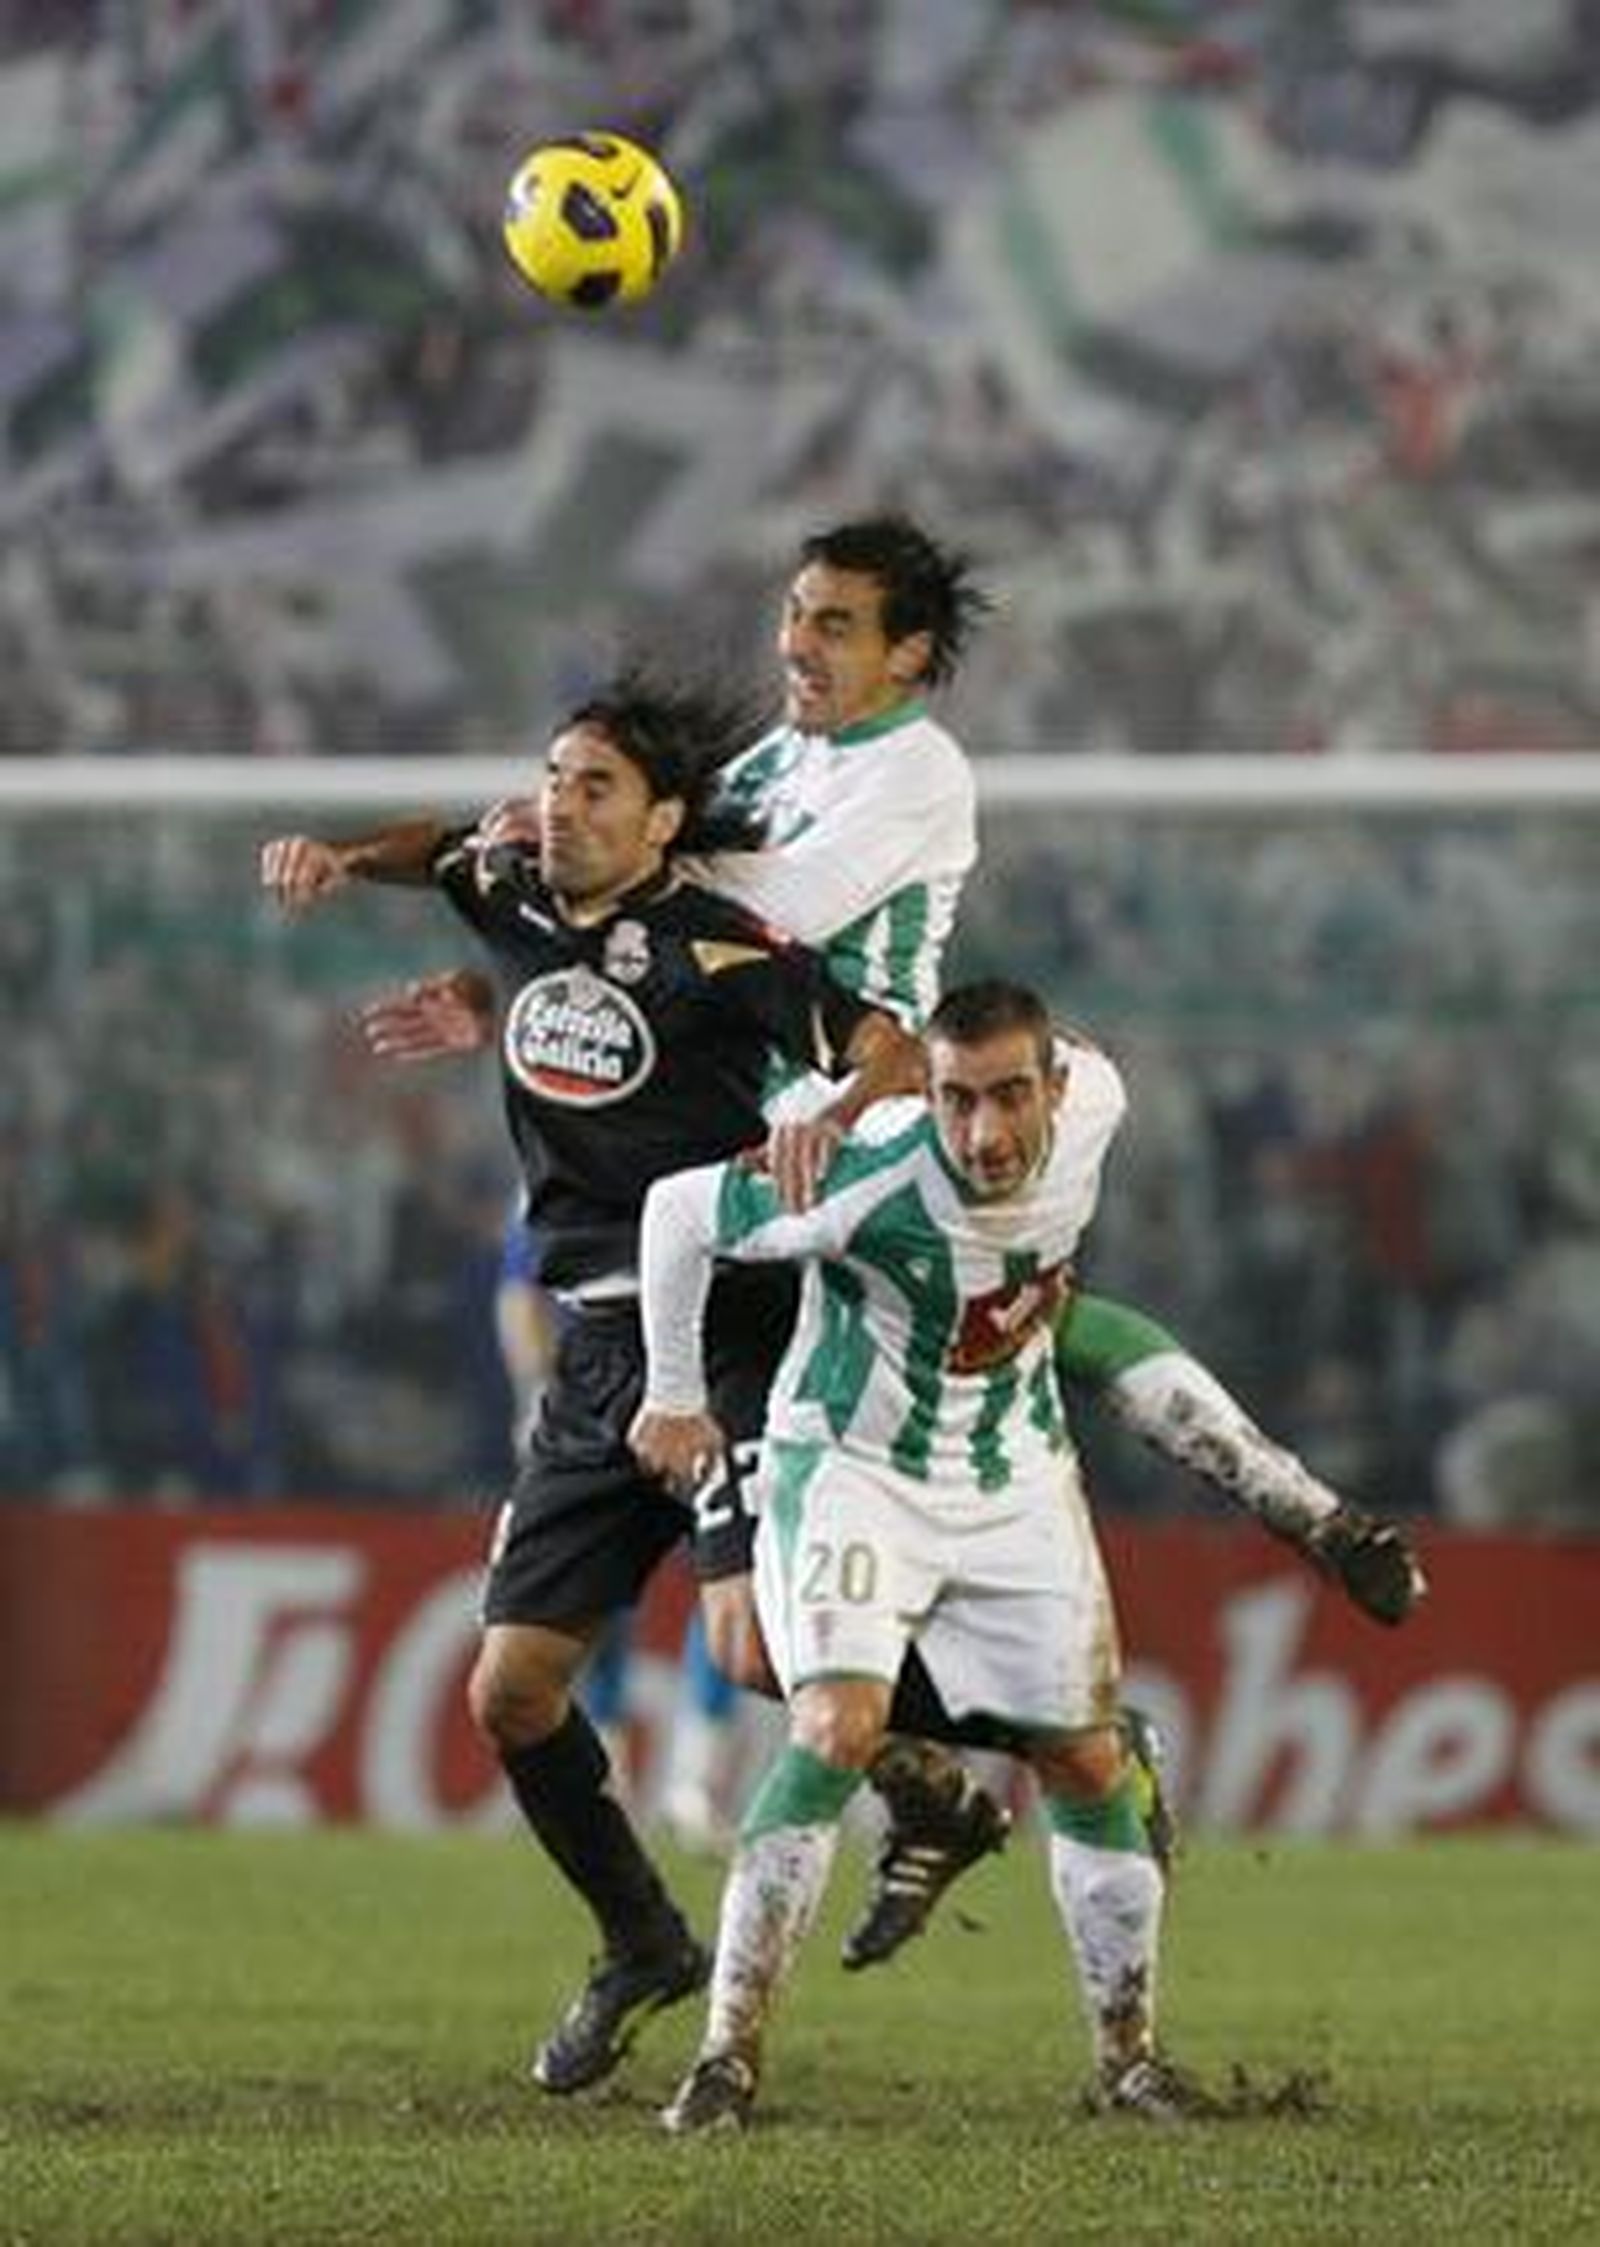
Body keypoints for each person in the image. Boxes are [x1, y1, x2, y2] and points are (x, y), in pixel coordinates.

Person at [362, 513, 1424, 1967]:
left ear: (912, 653)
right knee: (788, 1600)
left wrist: (554, 853)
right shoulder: (774, 761)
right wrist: (532, 926)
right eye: (795, 615)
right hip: (781, 1153)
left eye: (836, 625)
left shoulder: (919, 771)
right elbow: (650, 910)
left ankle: (1169, 1630)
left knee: (1013, 1338)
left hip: (887, 1134)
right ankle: (954, 1774)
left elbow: (745, 907)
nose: (796, 643)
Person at [259, 673, 927, 2098]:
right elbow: (431, 843)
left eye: (596, 786)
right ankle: (641, 1941)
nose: (561, 804)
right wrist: (338, 855)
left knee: (749, 1649)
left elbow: (883, 1040)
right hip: (596, 1353)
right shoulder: (506, 887)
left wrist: (843, 1117)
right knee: (509, 1692)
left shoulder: (717, 948)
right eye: (555, 776)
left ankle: (942, 1774)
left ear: (666, 819)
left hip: (734, 1328)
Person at [630, 981, 1190, 2131]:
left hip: (1004, 1474)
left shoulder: (1102, 1100)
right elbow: (678, 1212)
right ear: (921, 1091)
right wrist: (675, 1397)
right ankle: (727, 2059)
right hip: (852, 1467)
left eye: (1007, 1097)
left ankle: (1128, 2062)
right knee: (834, 1723)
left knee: (1085, 1763)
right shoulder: (862, 1180)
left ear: (1058, 1087)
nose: (982, 1133)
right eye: (954, 1100)